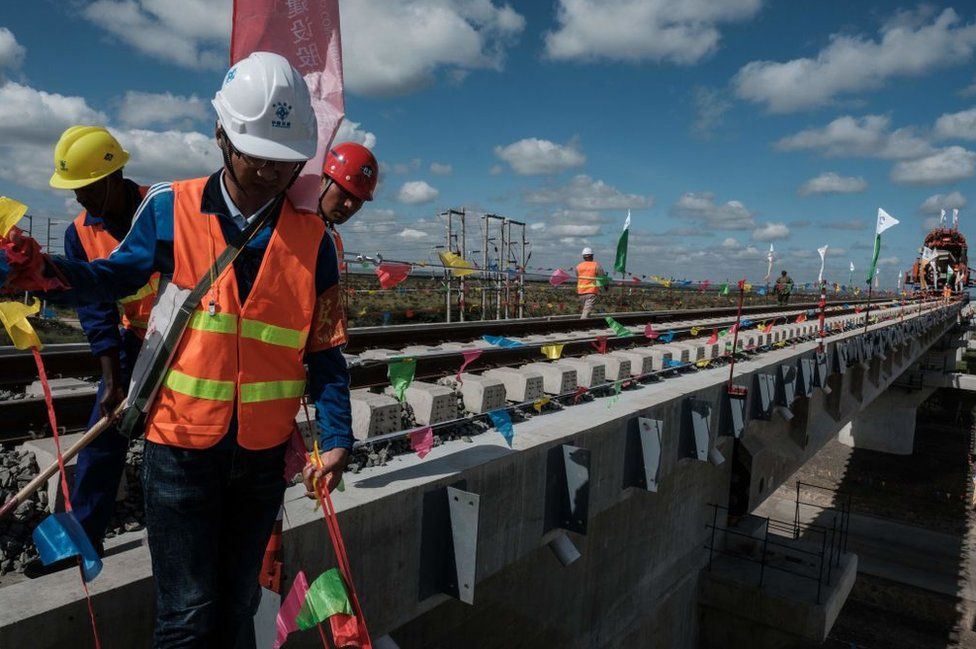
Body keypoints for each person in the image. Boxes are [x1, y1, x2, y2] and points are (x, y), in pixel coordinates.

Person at [3, 52, 352, 647]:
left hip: (263, 458)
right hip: (181, 449)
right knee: (187, 614)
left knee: (239, 605)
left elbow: (325, 351)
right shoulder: (170, 208)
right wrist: (45, 272)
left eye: (286, 162)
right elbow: (113, 277)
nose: (273, 174)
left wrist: (338, 436)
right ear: (222, 137)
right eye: (259, 158)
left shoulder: (315, 240)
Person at [23, 127, 157, 578]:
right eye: (74, 190)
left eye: (87, 188)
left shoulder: (160, 209)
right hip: (134, 339)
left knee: (172, 440)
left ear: (115, 175)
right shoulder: (79, 233)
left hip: (190, 337)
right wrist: (113, 377)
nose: (80, 199)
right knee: (103, 439)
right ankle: (83, 540)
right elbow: (96, 308)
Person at [316, 141, 379, 348]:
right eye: (344, 192)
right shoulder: (287, 227)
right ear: (322, 180)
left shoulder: (331, 238)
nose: (350, 205)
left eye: (358, 199)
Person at [576, 247, 605, 318]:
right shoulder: (596, 265)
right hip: (591, 291)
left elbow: (578, 276)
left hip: (581, 292)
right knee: (586, 311)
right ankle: (580, 324)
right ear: (592, 256)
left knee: (586, 310)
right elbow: (602, 278)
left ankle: (586, 323)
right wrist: (605, 286)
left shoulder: (578, 266)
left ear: (583, 257)